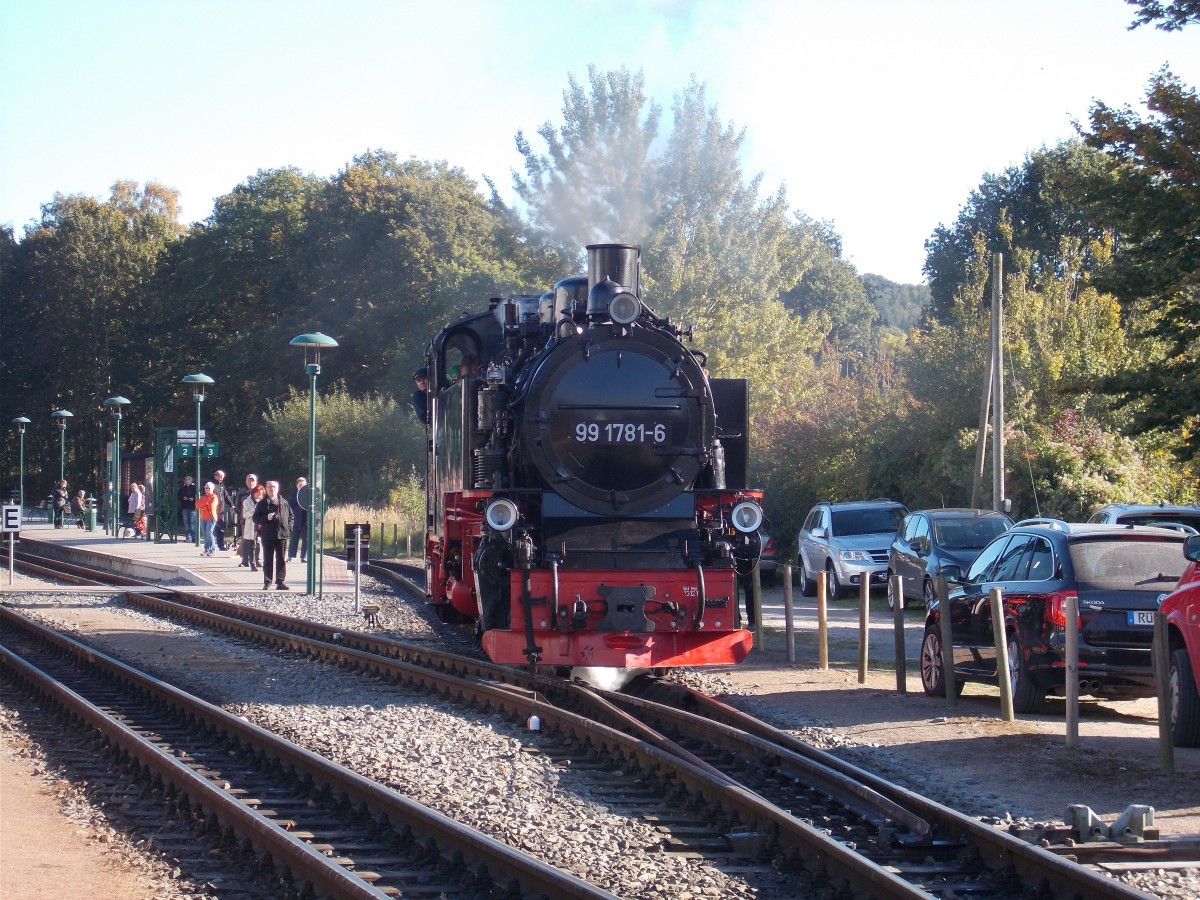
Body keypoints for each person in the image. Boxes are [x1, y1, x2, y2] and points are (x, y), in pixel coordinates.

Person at [254, 480, 293, 590]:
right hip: (267, 534)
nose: (272, 489)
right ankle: (267, 581)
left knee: (281, 559)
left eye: (274, 487)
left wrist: (289, 528)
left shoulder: (284, 502)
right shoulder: (262, 503)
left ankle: (280, 582)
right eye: (270, 487)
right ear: (266, 489)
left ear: (278, 488)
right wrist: (266, 518)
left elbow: (291, 517)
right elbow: (255, 518)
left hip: (281, 534)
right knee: (268, 559)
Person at [233, 474, 261, 568]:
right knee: (246, 541)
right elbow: (237, 506)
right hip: (245, 520)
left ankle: (256, 560)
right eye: (249, 480)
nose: (251, 482)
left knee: (257, 540)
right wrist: (241, 515)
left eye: (252, 480)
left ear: (256, 481)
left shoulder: (259, 490)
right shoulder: (241, 492)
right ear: (246, 481)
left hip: (258, 521)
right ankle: (245, 560)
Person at [238, 484, 265, 571]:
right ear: (254, 493)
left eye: (261, 494)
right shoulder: (247, 501)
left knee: (259, 543)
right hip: (252, 525)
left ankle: (257, 560)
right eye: (257, 493)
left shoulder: (263, 501)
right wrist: (254, 511)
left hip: (262, 525)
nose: (259, 495)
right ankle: (251, 563)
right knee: (251, 544)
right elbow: (245, 515)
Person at [197, 481, 220, 556]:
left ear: (212, 489)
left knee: (209, 533)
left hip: (211, 517)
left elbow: (212, 506)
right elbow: (197, 505)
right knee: (204, 534)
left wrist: (204, 505)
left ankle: (212, 550)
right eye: (206, 488)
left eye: (209, 488)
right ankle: (206, 550)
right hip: (203, 517)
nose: (207, 489)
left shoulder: (214, 497)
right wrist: (206, 504)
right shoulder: (203, 497)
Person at [211, 470, 232, 551]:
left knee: (221, 529)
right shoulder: (211, 485)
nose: (222, 479)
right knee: (211, 530)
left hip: (221, 511)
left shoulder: (221, 485)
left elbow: (226, 496)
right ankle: (210, 547)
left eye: (223, 478)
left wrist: (231, 505)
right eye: (220, 477)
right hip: (213, 511)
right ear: (216, 476)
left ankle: (221, 545)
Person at [178, 475, 197, 542]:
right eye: (185, 480)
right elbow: (179, 496)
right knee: (186, 523)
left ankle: (194, 537)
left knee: (192, 522)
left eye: (187, 480)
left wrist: (194, 498)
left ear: (190, 481)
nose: (186, 481)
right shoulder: (182, 488)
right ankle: (188, 537)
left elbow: (198, 496)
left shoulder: (195, 488)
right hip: (185, 507)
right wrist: (183, 497)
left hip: (193, 507)